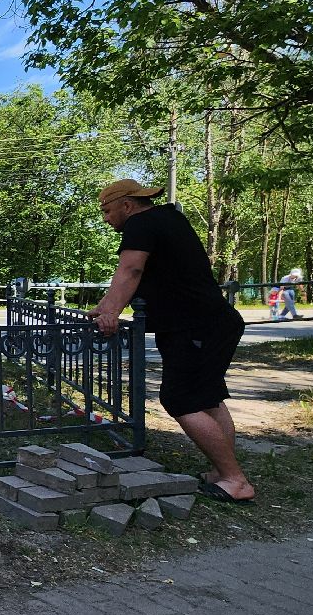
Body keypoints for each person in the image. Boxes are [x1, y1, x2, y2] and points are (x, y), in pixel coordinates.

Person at [90, 179, 255, 503]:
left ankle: (236, 480)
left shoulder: (140, 223)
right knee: (207, 400)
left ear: (127, 204)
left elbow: (131, 270)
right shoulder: (167, 218)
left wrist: (110, 312)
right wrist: (104, 305)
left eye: (108, 211)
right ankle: (222, 472)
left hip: (195, 326)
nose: (106, 219)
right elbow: (146, 274)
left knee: (181, 400)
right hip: (210, 322)